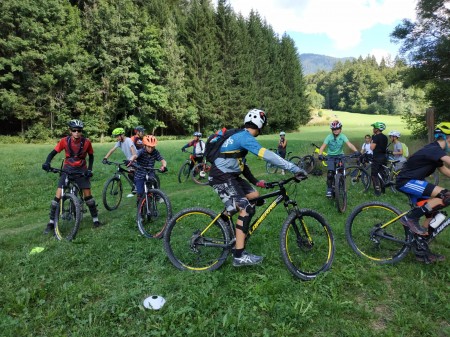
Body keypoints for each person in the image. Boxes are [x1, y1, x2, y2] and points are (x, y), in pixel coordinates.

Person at [208, 109, 305, 267]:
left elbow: (241, 165)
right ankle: (239, 255)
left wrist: (256, 181)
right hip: (221, 176)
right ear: (260, 125)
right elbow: (267, 155)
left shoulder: (240, 136)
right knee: (246, 208)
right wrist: (293, 168)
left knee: (254, 195)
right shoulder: (244, 137)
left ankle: (225, 218)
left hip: (231, 176)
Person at [395, 122, 450, 263]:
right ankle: (410, 218)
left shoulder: (435, 153)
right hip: (406, 181)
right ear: (447, 138)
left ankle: (421, 250)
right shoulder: (434, 149)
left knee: (432, 211)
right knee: (445, 196)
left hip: (414, 182)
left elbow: (445, 170)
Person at [41, 119, 101, 234]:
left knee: (88, 198)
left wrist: (89, 169)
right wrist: (47, 163)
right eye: (74, 130)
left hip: (81, 169)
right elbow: (52, 153)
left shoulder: (87, 142)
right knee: (57, 198)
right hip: (67, 168)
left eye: (79, 130)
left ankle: (96, 220)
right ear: (70, 131)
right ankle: (51, 223)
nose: (77, 132)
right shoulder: (64, 141)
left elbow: (91, 156)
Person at [317, 120, 359, 197]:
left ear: (340, 129)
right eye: (334, 129)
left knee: (341, 171)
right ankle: (329, 189)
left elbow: (349, 144)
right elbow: (323, 146)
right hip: (331, 156)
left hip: (340, 156)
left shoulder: (343, 136)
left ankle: (341, 184)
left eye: (337, 129)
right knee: (330, 173)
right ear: (332, 130)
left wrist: (356, 151)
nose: (336, 130)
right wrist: (320, 154)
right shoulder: (329, 137)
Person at [128, 135, 167, 199]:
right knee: (140, 193)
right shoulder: (141, 151)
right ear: (145, 145)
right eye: (149, 146)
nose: (151, 149)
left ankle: (156, 195)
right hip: (140, 173)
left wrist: (164, 166)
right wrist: (130, 160)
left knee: (154, 181)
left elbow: (163, 160)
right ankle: (140, 205)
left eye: (152, 147)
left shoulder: (155, 152)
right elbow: (135, 156)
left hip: (150, 172)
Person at [102, 127, 138, 193]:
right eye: (116, 137)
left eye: (117, 136)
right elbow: (112, 150)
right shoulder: (120, 142)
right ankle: (136, 185)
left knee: (132, 173)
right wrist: (105, 158)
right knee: (130, 174)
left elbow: (133, 152)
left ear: (122, 135)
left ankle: (138, 186)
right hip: (129, 160)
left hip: (135, 159)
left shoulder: (128, 140)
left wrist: (132, 160)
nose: (117, 138)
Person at [370, 122, 388, 196]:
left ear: (377, 129)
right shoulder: (385, 137)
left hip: (377, 157)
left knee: (374, 174)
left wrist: (372, 140)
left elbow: (372, 148)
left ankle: (377, 191)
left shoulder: (376, 137)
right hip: (384, 157)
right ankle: (383, 189)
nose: (373, 129)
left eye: (374, 128)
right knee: (382, 173)